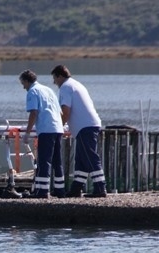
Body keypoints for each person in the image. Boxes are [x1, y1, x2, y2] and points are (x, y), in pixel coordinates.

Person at [51, 64, 106, 198]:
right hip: (89, 125)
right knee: (81, 159)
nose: (54, 82)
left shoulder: (65, 87)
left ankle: (100, 188)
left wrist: (59, 127)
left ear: (59, 76)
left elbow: (65, 111)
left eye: (54, 78)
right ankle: (76, 188)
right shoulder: (76, 84)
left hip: (84, 126)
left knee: (90, 157)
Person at [19, 69, 65, 198]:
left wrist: (27, 133)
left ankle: (43, 191)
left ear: (27, 81)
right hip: (58, 128)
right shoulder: (48, 90)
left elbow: (34, 113)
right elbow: (60, 112)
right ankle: (60, 190)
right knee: (57, 160)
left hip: (46, 129)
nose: (23, 87)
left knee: (44, 160)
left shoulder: (33, 92)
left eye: (23, 83)